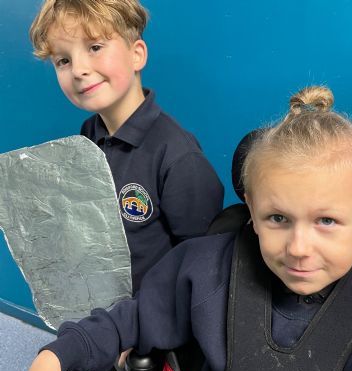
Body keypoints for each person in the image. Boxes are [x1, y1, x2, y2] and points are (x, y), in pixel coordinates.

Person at [21, 86, 352, 371]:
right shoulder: (204, 270)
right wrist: (55, 357)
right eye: (278, 218)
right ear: (252, 209)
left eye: (326, 221)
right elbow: (129, 321)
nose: (299, 248)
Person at [29, 0, 224, 294]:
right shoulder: (88, 134)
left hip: (153, 315)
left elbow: (202, 264)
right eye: (63, 61)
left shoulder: (178, 157)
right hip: (102, 304)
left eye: (95, 47)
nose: (78, 70)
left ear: (137, 55)